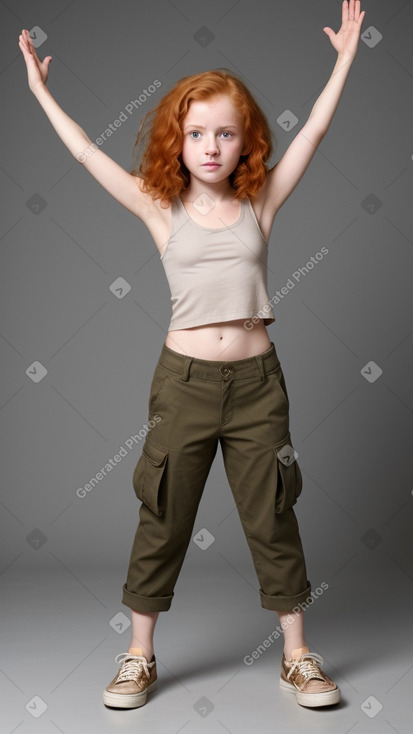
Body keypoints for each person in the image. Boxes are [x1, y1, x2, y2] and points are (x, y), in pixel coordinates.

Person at [19, 0, 366, 711]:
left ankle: (296, 656)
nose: (210, 147)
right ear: (177, 140)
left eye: (226, 134)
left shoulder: (260, 203)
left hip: (258, 385)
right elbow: (86, 152)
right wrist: (38, 92)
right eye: (196, 132)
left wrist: (344, 58)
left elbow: (318, 131)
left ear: (246, 144)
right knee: (164, 512)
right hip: (181, 384)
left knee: (272, 513)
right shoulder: (157, 205)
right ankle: (138, 655)